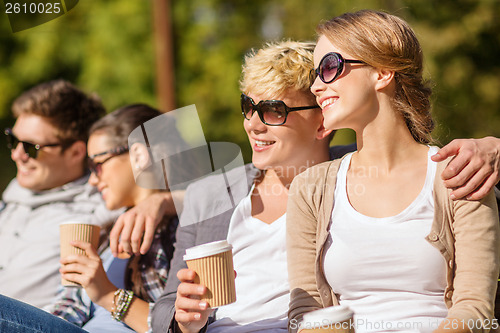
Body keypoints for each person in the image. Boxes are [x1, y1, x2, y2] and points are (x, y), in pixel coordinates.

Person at [286, 10, 500, 333]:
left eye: (329, 67)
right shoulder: (309, 189)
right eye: (316, 73)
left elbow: (475, 309)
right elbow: (304, 312)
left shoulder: (461, 172)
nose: (316, 86)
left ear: (383, 72)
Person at [150, 40, 335, 333]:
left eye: (274, 111)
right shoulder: (208, 194)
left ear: (322, 122)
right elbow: (165, 306)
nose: (253, 124)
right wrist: (185, 319)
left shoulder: (352, 183)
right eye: (248, 106)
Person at [46, 104, 184, 332]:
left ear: (138, 155)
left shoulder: (178, 229)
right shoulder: (107, 230)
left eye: (96, 165)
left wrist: (108, 294)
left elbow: (179, 326)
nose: (92, 180)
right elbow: (71, 307)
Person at [0, 79, 117, 308]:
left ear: (75, 152)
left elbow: (191, 198)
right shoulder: (10, 201)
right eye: (12, 140)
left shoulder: (96, 208)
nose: (16, 155)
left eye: (31, 147)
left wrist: (159, 202)